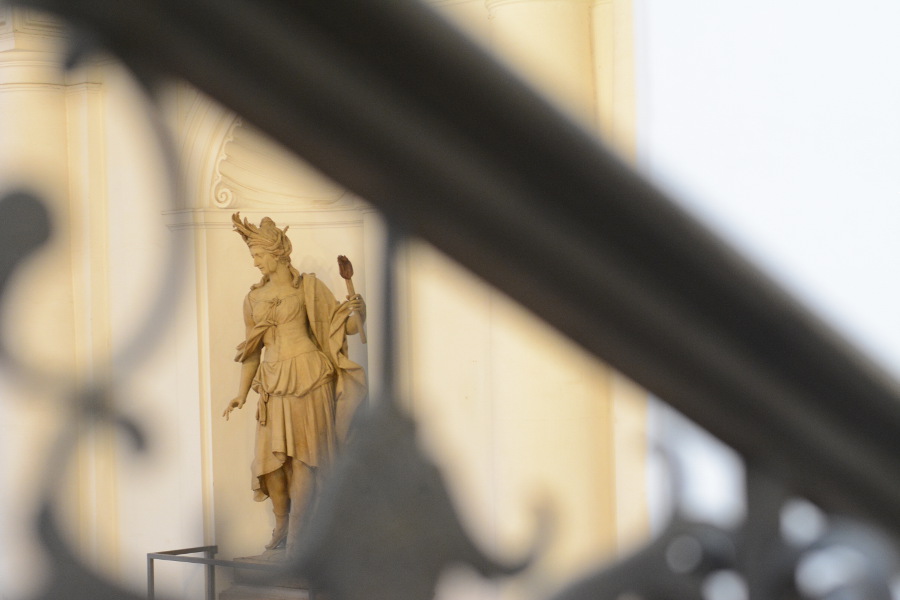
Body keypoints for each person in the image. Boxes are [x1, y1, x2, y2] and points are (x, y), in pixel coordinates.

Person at [223, 212, 367, 552]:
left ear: (277, 254)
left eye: (259, 255)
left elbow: (341, 328)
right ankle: (283, 525)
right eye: (253, 256)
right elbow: (251, 352)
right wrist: (241, 394)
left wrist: (353, 298)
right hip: (272, 384)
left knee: (305, 460)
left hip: (308, 378)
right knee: (271, 465)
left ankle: (299, 542)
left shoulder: (310, 288)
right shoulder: (253, 299)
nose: (256, 262)